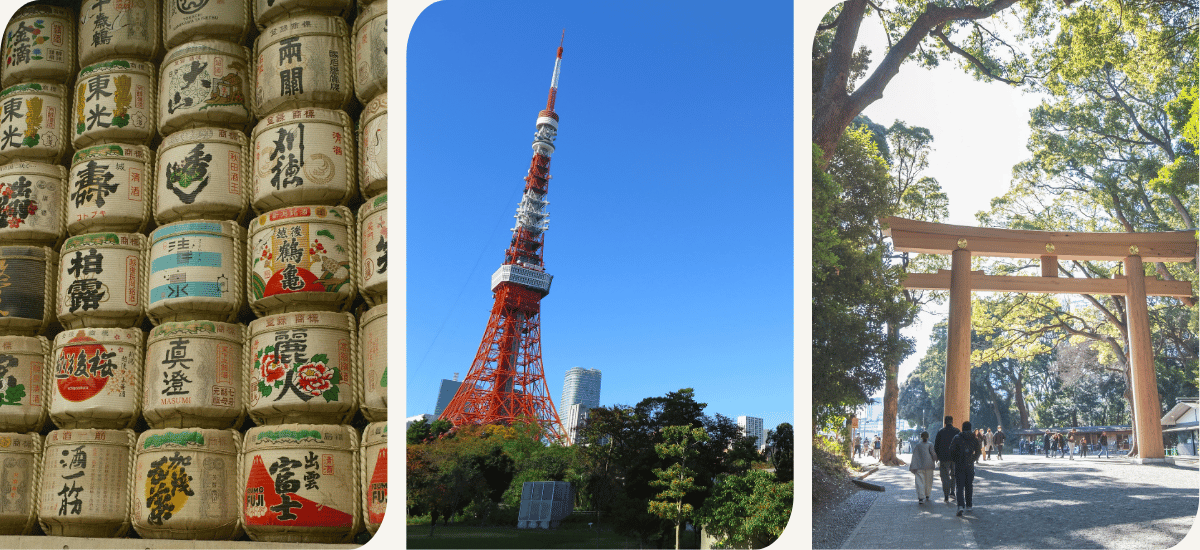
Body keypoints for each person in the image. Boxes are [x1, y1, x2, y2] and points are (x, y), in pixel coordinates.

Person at [949, 421, 982, 516]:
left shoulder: (957, 437)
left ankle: (960, 506)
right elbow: (978, 452)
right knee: (969, 485)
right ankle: (969, 505)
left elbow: (951, 451)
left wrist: (956, 459)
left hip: (959, 465)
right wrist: (973, 459)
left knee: (959, 486)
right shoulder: (974, 439)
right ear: (970, 428)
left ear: (962, 428)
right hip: (970, 465)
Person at [934, 416, 960, 504]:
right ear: (952, 422)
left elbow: (936, 446)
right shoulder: (957, 431)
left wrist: (937, 457)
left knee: (944, 476)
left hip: (944, 458)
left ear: (945, 422)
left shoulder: (941, 432)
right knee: (954, 475)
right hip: (955, 458)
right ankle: (952, 492)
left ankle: (946, 495)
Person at [910, 431, 938, 503]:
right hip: (929, 466)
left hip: (919, 466)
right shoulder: (930, 444)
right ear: (928, 437)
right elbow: (933, 454)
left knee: (919, 482)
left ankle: (921, 497)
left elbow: (914, 456)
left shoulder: (918, 445)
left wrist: (913, 466)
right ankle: (927, 494)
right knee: (928, 481)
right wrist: (936, 459)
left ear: (921, 437)